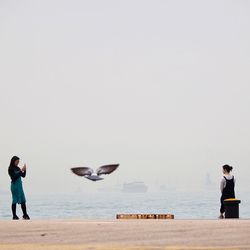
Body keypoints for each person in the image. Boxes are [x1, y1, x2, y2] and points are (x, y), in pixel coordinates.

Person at [8, 156, 30, 220]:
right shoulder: (10, 168)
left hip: (20, 187)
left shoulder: (17, 168)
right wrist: (21, 170)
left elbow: (23, 175)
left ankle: (25, 215)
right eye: (17, 161)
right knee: (14, 200)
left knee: (23, 200)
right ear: (13, 161)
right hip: (14, 186)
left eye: (18, 161)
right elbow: (14, 177)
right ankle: (14, 216)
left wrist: (24, 170)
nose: (18, 163)